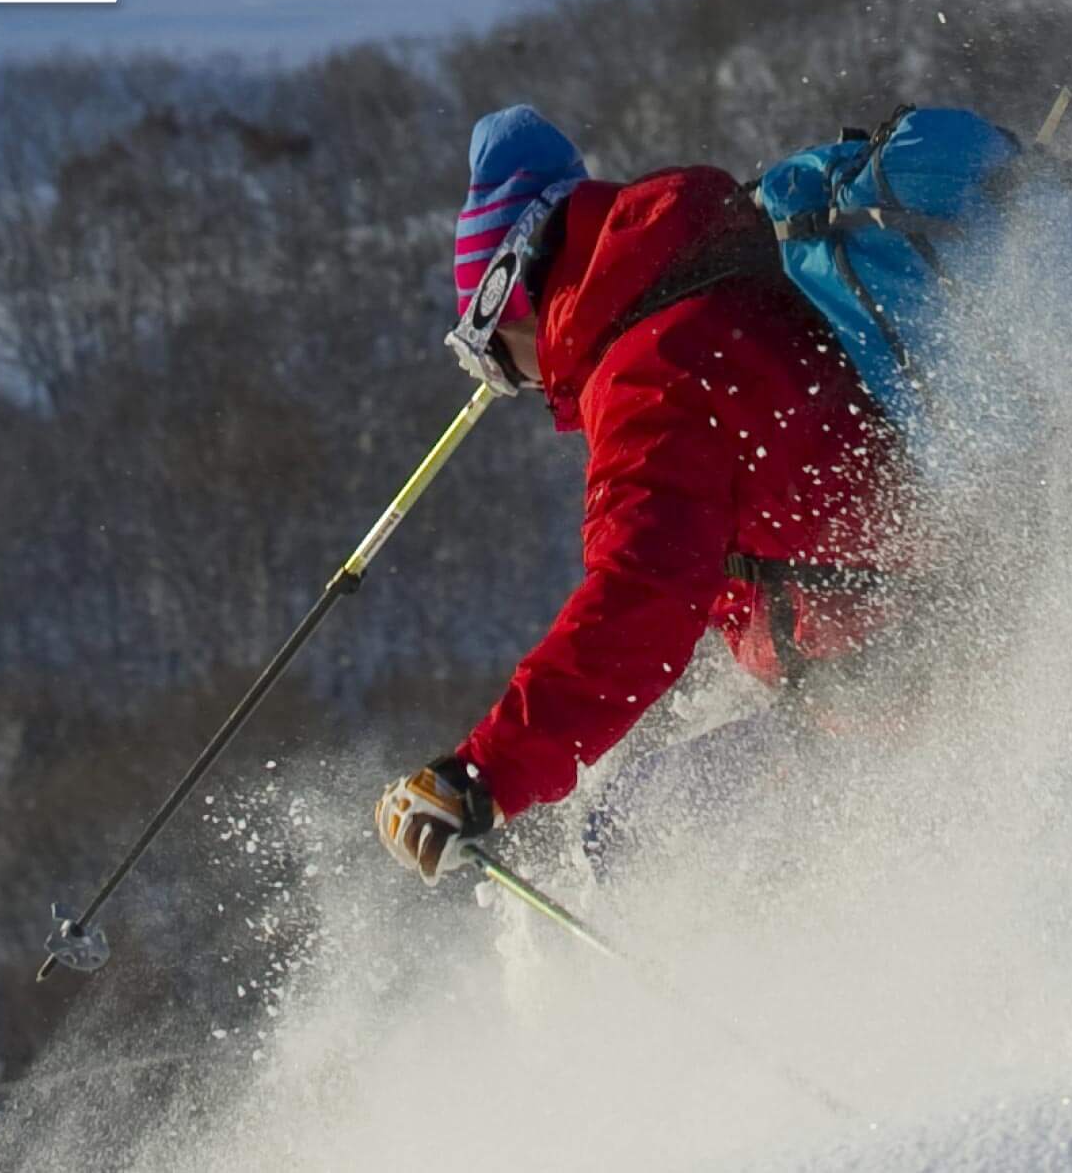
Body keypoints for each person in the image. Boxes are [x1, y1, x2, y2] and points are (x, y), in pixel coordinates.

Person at [373, 106, 896, 881]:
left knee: (635, 840)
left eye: (495, 361)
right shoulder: (718, 265)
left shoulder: (651, 372)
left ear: (507, 297)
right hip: (934, 628)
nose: (518, 383)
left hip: (901, 695)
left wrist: (484, 776)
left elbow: (642, 596)